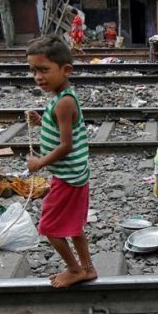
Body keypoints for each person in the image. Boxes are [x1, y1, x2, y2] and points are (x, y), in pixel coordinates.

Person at [25, 35, 97, 288]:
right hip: (75, 175)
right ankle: (87, 268)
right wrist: (41, 120)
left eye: (44, 70)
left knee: (49, 228)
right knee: (74, 226)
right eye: (33, 70)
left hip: (67, 178)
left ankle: (75, 269)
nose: (38, 77)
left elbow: (66, 146)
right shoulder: (61, 98)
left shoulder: (64, 102)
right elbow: (59, 128)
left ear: (66, 70)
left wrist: (39, 163)